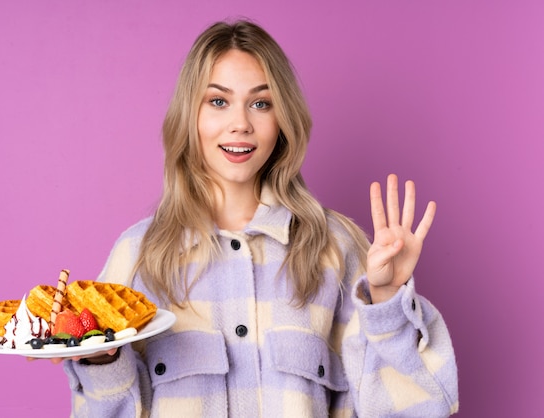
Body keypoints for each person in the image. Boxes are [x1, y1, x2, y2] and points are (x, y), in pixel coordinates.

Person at [59, 19, 459, 417]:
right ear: (190, 116)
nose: (241, 124)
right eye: (218, 101)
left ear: (282, 120)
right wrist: (100, 360)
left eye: (260, 103)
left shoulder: (336, 248)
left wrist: (388, 301)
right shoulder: (138, 256)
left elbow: (415, 411)